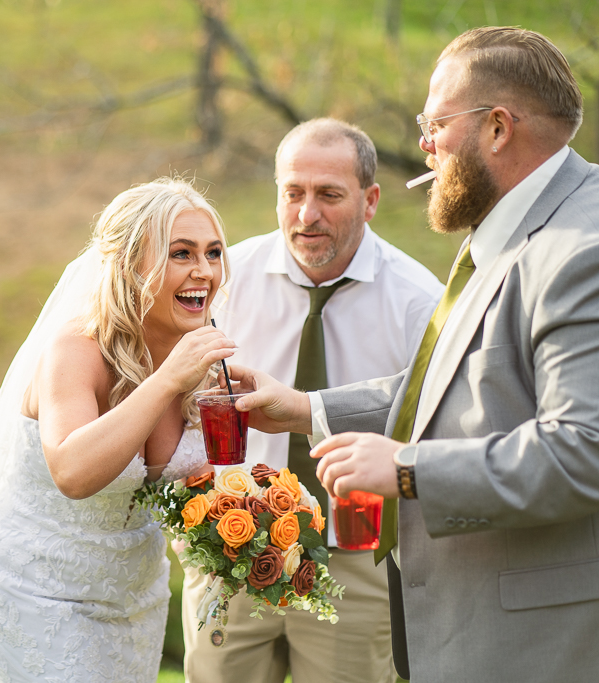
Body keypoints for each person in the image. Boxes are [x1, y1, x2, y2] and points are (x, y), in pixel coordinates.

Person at [231, 27, 599, 683]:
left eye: (435, 125)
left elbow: (583, 449)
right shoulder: (512, 225)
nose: (423, 146)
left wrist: (407, 468)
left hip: (534, 645)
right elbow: (457, 383)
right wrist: (303, 408)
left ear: (496, 129)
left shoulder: (581, 246)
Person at [0, 178, 235, 682]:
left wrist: (249, 521)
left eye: (213, 253)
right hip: (39, 589)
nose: (203, 272)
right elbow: (72, 471)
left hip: (133, 595)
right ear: (128, 263)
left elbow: (193, 478)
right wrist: (167, 381)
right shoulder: (75, 349)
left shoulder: (198, 350)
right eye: (181, 254)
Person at [181, 119, 442, 683]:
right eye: (292, 193)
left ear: (370, 200)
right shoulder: (223, 281)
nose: (306, 215)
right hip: (230, 549)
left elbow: (438, 432)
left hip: (356, 556)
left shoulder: (421, 303)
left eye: (329, 195)